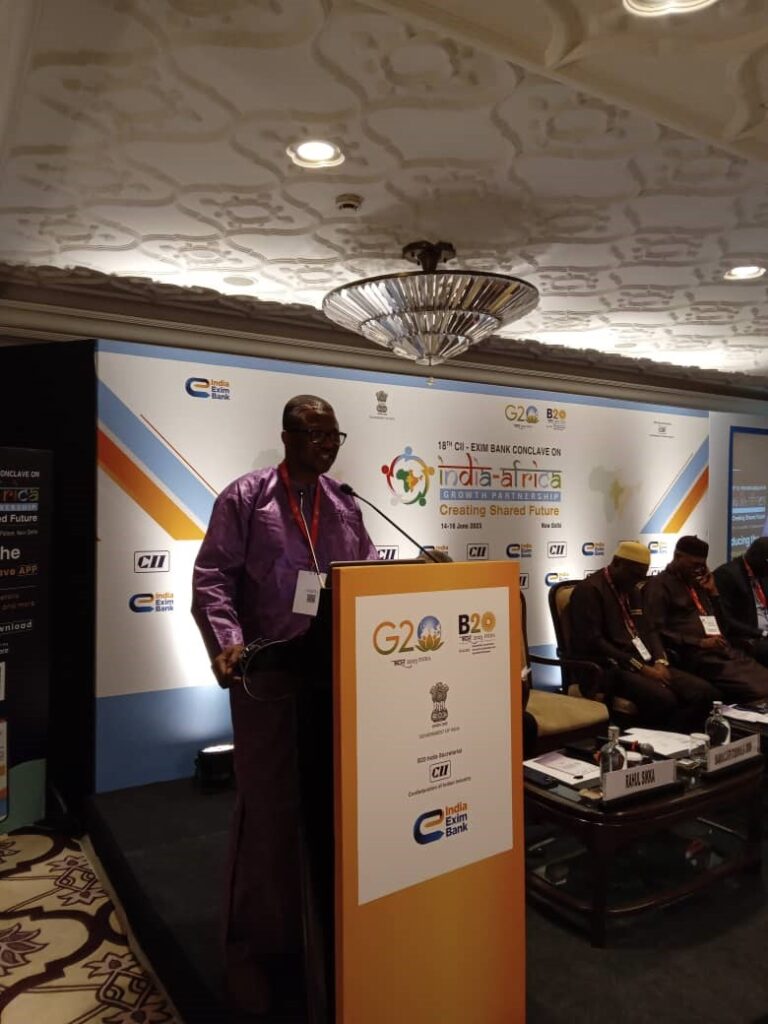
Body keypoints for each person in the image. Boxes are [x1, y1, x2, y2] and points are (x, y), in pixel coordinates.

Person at [192, 394, 377, 1016]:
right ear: (288, 436)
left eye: (334, 436)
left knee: (327, 804)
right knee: (269, 810)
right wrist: (227, 642)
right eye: (316, 434)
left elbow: (366, 575)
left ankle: (321, 931)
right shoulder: (246, 498)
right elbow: (212, 578)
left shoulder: (345, 503)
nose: (327, 446)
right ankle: (259, 944)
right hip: (268, 674)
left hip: (333, 675)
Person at [568, 540, 719, 731]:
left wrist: (660, 661)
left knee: (703, 692)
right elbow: (595, 642)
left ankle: (677, 740)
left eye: (641, 576)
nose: (636, 581)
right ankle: (650, 742)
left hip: (643, 662)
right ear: (616, 563)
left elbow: (649, 629)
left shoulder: (633, 590)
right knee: (664, 699)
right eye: (633, 575)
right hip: (608, 668)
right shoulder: (590, 590)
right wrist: (641, 668)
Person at [643, 535, 768, 703]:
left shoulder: (698, 585)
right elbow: (656, 630)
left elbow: (724, 626)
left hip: (722, 650)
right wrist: (700, 642)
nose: (698, 570)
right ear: (678, 557)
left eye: (702, 565)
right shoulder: (659, 585)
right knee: (758, 690)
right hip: (694, 653)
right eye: (694, 565)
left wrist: (714, 594)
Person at [713, 537, 768, 667]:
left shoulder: (762, 573)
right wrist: (762, 633)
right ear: (760, 560)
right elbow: (725, 619)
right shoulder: (727, 575)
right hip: (748, 636)